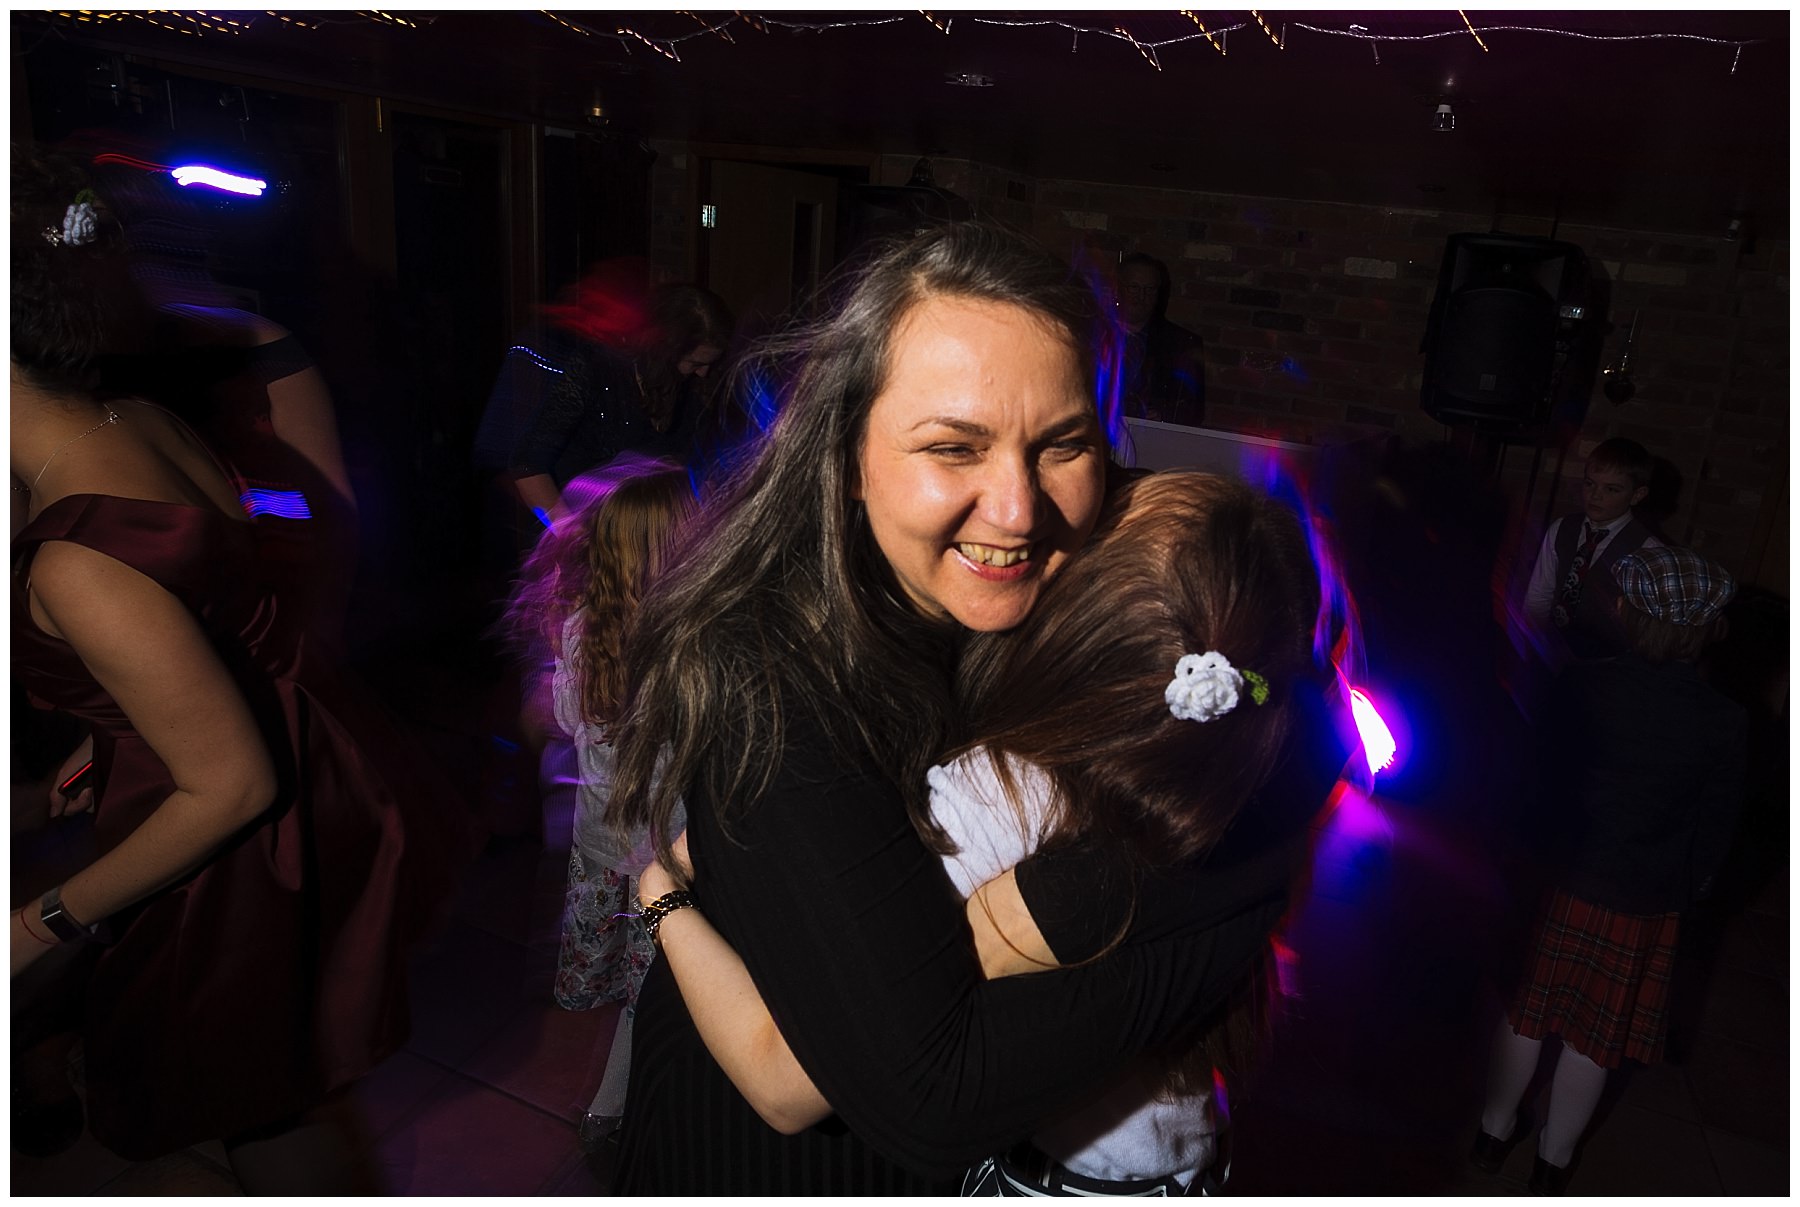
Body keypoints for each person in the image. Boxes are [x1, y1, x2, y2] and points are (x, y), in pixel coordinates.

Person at [602, 221, 1336, 1194]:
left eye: (1063, 442)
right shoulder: (771, 679)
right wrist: (1188, 878)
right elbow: (930, 1095)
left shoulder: (1101, 562)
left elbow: (1299, 704)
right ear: (847, 457)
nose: (1018, 509)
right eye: (954, 446)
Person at [636, 468, 1325, 1195]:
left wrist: (661, 892)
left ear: (1074, 619)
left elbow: (788, 1077)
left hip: (1048, 1175)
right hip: (1185, 1159)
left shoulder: (1001, 793)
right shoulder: (1249, 764)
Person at [10, 145, 450, 1191]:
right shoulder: (145, 423)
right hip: (286, 785)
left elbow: (229, 781)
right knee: (263, 1085)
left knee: (242, 1094)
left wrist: (35, 922)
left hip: (216, 843)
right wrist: (111, 731)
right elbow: (219, 625)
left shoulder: (75, 551)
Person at [1472, 544, 1746, 1195]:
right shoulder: (1726, 721)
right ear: (1710, 628)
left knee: (1524, 1013)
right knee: (1595, 1037)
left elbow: (1538, 783)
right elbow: (1717, 828)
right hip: (1642, 894)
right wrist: (1690, 890)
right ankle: (1552, 1163)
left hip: (1561, 875)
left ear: (1628, 612)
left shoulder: (1581, 683)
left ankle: (1490, 1131)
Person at [498, 456, 695, 1146]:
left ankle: (614, 1106)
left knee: (631, 986)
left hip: (603, 850)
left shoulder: (581, 627)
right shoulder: (688, 642)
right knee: (656, 992)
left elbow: (550, 722)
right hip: (669, 861)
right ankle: (613, 1113)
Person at [504, 279, 732, 524]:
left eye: (710, 364)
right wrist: (568, 532)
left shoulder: (693, 392)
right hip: (592, 534)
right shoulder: (596, 371)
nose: (704, 373)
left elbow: (702, 468)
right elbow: (527, 465)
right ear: (663, 350)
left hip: (649, 539)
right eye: (696, 363)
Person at [1521, 437, 1659, 663]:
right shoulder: (1562, 529)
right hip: (1551, 653)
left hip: (1605, 664)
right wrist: (1530, 643)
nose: (1596, 495)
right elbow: (1539, 596)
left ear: (1637, 495)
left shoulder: (1647, 551)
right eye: (1589, 484)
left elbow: (1645, 631)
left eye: (1611, 489)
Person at [1113, 253, 1205, 427]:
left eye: (1150, 289)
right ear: (1117, 289)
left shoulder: (1181, 344)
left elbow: (1191, 408)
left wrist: (1164, 416)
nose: (1142, 297)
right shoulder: (1091, 335)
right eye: (1134, 287)